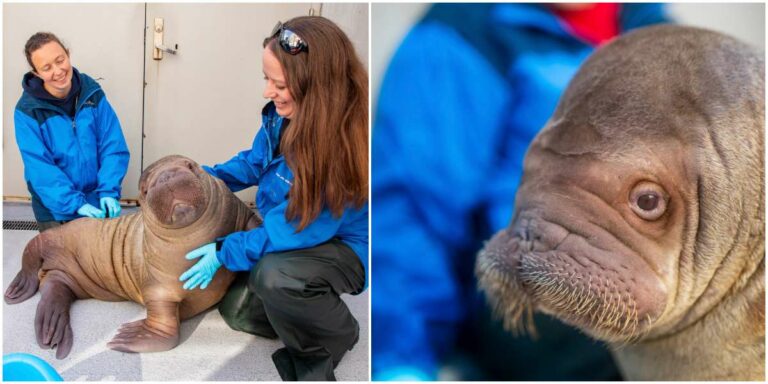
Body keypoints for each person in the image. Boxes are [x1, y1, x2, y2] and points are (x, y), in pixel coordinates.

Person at [372, 3, 669, 380]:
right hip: (542, 304)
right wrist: (402, 362)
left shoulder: (657, 35)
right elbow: (412, 211)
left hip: (662, 277)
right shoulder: (465, 33)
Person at [179, 16, 368, 381]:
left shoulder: (341, 150)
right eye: (267, 79)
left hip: (343, 246)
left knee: (273, 277)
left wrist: (223, 250)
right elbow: (255, 162)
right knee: (238, 312)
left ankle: (337, 336)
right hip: (299, 229)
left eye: (279, 84)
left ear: (317, 87)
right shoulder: (283, 117)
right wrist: (205, 179)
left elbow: (293, 228)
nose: (267, 91)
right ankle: (307, 312)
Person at [14, 32, 129, 232]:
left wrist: (109, 191)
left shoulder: (92, 94)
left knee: (98, 262)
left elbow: (113, 145)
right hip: (56, 209)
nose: (58, 71)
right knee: (62, 262)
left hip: (97, 201)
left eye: (60, 60)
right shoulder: (27, 112)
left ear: (68, 54)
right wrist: (75, 204)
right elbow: (41, 169)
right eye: (46, 68)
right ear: (37, 74)